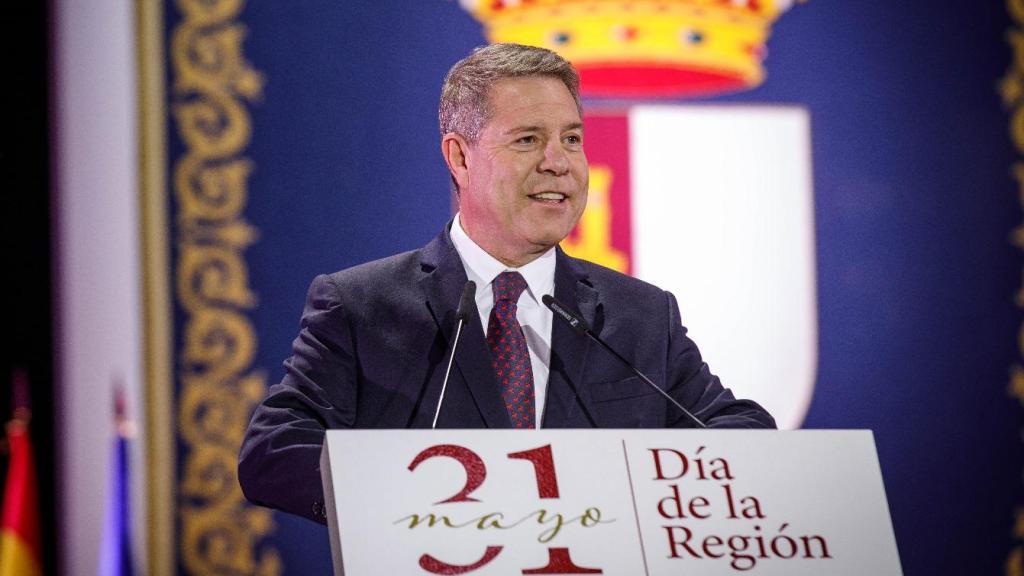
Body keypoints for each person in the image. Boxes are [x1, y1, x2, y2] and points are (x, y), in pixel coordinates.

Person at [238, 43, 775, 524]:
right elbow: (274, 452)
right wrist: (420, 501)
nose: (559, 163)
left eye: (571, 138)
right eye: (528, 140)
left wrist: (632, 488)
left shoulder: (639, 313)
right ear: (460, 157)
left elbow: (738, 430)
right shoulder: (363, 306)